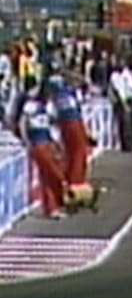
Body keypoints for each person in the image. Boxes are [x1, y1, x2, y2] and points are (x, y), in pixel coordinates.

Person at [19, 87, 66, 219]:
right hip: (38, 144)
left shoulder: (49, 107)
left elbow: (52, 125)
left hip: (47, 142)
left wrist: (56, 143)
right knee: (52, 175)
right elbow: (23, 122)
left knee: (47, 177)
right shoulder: (31, 106)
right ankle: (54, 206)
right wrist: (26, 140)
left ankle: (53, 207)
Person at [49, 62, 91, 198]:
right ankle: (75, 182)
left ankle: (71, 180)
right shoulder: (67, 91)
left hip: (64, 121)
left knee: (71, 151)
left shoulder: (56, 94)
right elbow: (80, 82)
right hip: (72, 120)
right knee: (78, 151)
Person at [109, 60, 132, 152]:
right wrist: (124, 104)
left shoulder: (127, 72)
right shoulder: (115, 76)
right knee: (126, 123)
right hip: (124, 100)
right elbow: (120, 91)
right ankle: (128, 145)